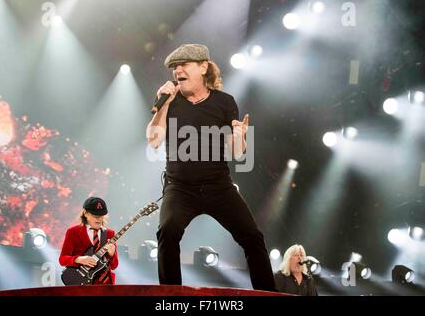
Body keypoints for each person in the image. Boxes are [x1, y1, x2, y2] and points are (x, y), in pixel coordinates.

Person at [146, 44, 275, 291]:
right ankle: (171, 296)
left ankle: (267, 293)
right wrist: (162, 105)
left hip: (219, 187)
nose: (177, 71)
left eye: (184, 65)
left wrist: (239, 135)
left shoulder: (224, 102)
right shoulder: (170, 101)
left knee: (252, 237)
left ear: (204, 67)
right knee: (168, 231)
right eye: (175, 67)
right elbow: (153, 141)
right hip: (180, 188)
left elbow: (237, 152)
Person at [59, 197, 118, 284]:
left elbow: (114, 266)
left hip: (105, 285)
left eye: (101, 216)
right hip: (81, 285)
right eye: (95, 216)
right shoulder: (73, 232)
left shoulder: (110, 233)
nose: (99, 219)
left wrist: (112, 255)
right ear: (85, 213)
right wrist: (79, 259)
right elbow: (62, 259)